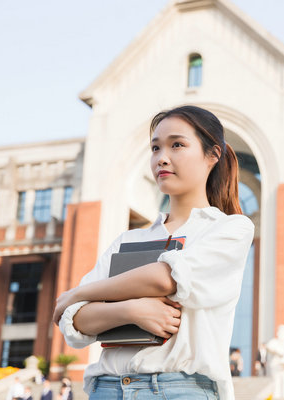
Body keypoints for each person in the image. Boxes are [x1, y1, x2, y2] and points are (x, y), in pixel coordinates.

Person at [53, 105, 254, 400]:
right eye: (155, 147)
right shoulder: (128, 239)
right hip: (108, 388)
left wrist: (78, 294)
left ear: (213, 155)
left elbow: (166, 278)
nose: (162, 158)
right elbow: (73, 321)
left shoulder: (230, 229)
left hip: (180, 390)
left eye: (177, 145)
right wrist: (131, 310)